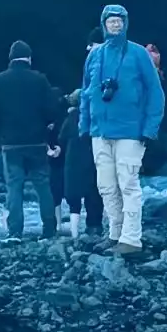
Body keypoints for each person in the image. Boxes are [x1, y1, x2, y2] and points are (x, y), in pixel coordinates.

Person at [79, 4, 165, 255]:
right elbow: (86, 92)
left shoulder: (139, 54)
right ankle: (114, 233)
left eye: (119, 21)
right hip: (100, 130)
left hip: (130, 131)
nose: (115, 25)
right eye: (111, 21)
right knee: (106, 185)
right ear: (104, 24)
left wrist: (149, 128)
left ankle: (131, 238)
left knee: (128, 183)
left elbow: (155, 93)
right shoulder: (95, 55)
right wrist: (84, 124)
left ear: (125, 24)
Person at [0, 40, 64, 239]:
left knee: (14, 187)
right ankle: (49, 230)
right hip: (37, 142)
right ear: (29, 58)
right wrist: (47, 130)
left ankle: (15, 232)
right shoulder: (39, 80)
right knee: (43, 186)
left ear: (10, 58)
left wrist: (0, 134)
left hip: (10, 144)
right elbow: (52, 110)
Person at [57, 90, 102, 237]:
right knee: (94, 194)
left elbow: (62, 139)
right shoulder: (97, 115)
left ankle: (74, 231)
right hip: (94, 158)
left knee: (73, 196)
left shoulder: (72, 117)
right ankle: (94, 226)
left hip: (74, 160)